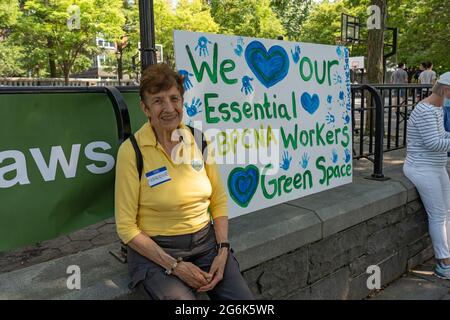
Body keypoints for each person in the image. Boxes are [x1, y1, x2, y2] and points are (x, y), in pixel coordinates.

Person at [114, 63, 255, 300]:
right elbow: (126, 227)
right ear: (145, 108)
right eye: (158, 101)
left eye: (174, 98)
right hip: (156, 252)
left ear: (182, 101)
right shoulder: (132, 151)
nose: (169, 108)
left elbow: (218, 199)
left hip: (206, 244)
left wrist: (222, 250)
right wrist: (175, 266)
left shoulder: (198, 139)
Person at [403, 71, 450, 279]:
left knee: (447, 212)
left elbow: (441, 136)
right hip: (421, 167)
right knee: (439, 215)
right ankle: (443, 264)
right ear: (446, 90)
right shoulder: (424, 110)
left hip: (437, 166)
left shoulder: (437, 108)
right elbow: (433, 143)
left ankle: (446, 255)